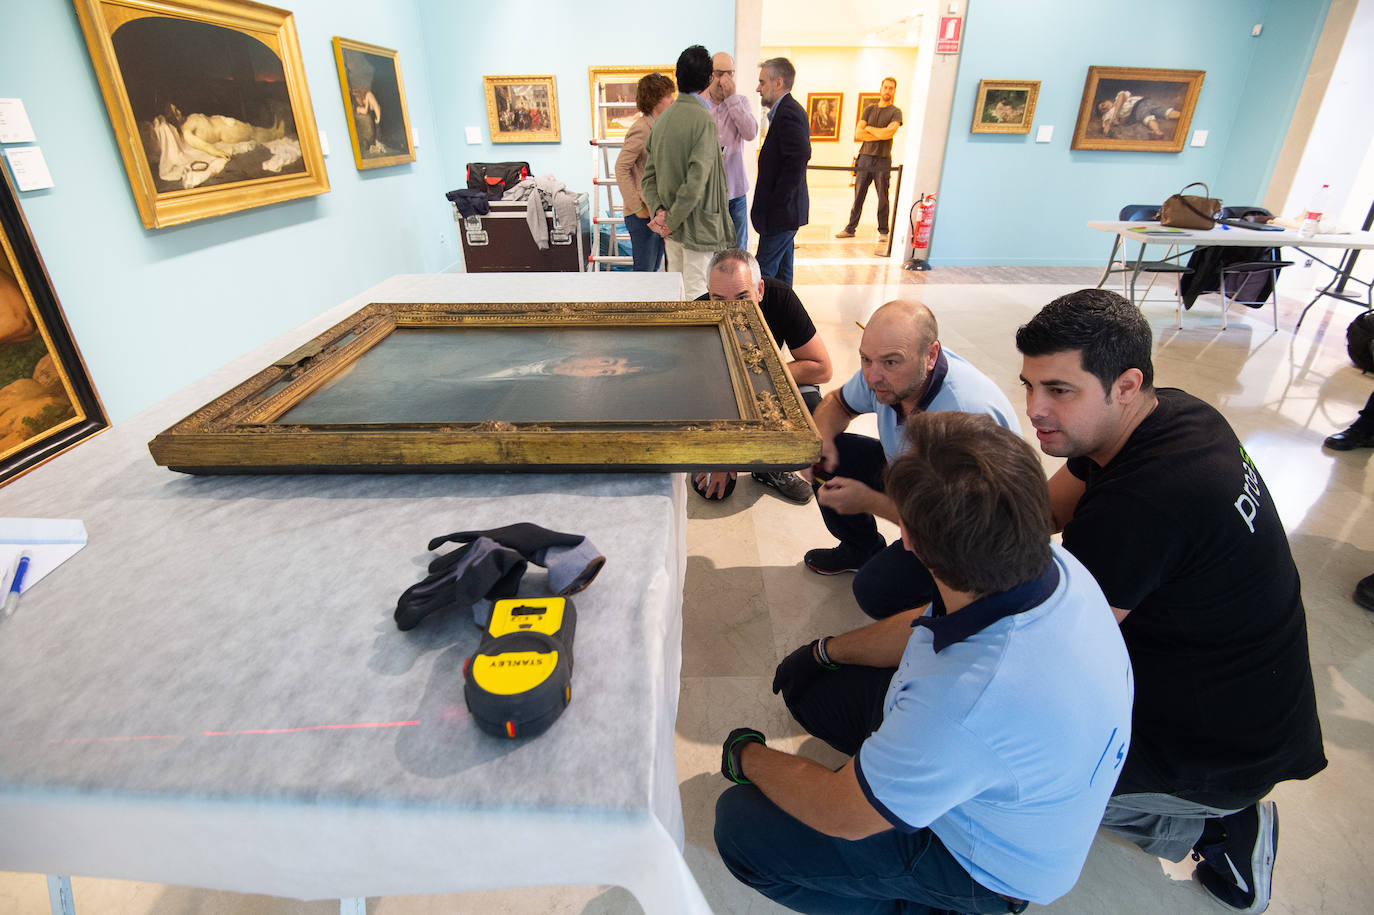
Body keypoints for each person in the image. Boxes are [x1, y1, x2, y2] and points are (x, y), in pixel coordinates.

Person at [714, 410, 1134, 913]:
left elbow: (839, 814)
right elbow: (923, 619)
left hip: (984, 867)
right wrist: (823, 652)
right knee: (814, 693)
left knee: (740, 825)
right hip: (1000, 772)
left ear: (907, 539)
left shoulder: (964, 702)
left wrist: (747, 756)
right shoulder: (1052, 566)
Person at [1016, 289, 1327, 914]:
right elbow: (1040, 512)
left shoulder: (1144, 504)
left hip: (1214, 751)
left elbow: (1053, 655)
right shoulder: (1173, 414)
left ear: (1126, 384)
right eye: (1028, 386)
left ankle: (1216, 826)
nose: (1034, 410)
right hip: (1246, 698)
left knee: (1007, 776)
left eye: (1059, 390)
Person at [802, 300, 1017, 622]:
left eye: (891, 362)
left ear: (930, 356)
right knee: (835, 455)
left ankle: (957, 613)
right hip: (921, 482)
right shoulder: (884, 376)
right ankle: (860, 549)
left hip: (975, 533)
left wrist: (869, 501)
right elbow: (838, 403)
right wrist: (819, 441)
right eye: (865, 359)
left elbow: (948, 527)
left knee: (875, 592)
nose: (874, 376)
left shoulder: (964, 416)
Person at [691, 248, 833, 504]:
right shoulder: (696, 315)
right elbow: (697, 396)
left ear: (760, 290)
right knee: (713, 491)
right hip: (720, 400)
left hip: (768, 388)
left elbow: (822, 368)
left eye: (743, 297)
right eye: (719, 298)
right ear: (709, 293)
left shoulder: (781, 298)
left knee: (812, 408)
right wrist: (721, 453)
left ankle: (771, 464)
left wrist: (759, 375)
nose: (732, 310)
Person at [642, 45, 735, 300]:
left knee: (679, 291)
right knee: (698, 295)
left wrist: (660, 213)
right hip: (698, 228)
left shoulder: (662, 120)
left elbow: (648, 178)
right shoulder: (702, 119)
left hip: (672, 229)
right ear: (708, 79)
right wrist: (670, 220)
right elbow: (696, 181)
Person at [752, 57, 810, 286]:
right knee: (782, 279)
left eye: (762, 82)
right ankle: (783, 320)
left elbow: (798, 158)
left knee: (760, 276)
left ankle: (754, 320)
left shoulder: (789, 112)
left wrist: (777, 204)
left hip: (781, 215)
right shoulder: (784, 111)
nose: (758, 88)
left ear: (778, 82)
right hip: (784, 214)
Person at [614, 72, 676, 273]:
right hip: (642, 215)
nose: (672, 100)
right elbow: (621, 167)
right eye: (668, 96)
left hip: (655, 213)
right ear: (656, 99)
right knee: (644, 274)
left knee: (655, 271)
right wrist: (636, 207)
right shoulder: (641, 129)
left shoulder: (659, 126)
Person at [835, 77, 902, 241]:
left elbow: (889, 133)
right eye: (885, 87)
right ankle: (850, 228)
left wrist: (870, 129)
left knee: (883, 197)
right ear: (881, 89)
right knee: (858, 196)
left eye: (891, 88)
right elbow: (858, 134)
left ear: (894, 91)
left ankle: (883, 231)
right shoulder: (869, 109)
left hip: (883, 159)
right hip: (864, 158)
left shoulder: (896, 112)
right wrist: (880, 132)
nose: (887, 90)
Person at [706, 52, 757, 252]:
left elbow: (750, 133)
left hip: (735, 191)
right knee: (711, 253)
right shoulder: (701, 105)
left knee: (738, 252)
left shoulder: (741, 102)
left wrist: (732, 99)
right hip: (709, 195)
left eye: (730, 73)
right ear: (710, 75)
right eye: (720, 73)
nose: (724, 80)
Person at [1098, 90, 1180, 139]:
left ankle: (1183, 116)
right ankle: (1157, 131)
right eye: (1102, 110)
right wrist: (1107, 127)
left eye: (1103, 104)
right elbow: (1106, 123)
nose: (1104, 107)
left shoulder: (1117, 100)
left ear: (1107, 100)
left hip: (1142, 102)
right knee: (1148, 117)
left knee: (1164, 111)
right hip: (1136, 110)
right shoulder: (1108, 114)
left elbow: (1122, 96)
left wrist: (1115, 114)